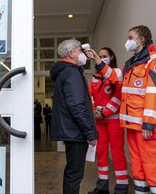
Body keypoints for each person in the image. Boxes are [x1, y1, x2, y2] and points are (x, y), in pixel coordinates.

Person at [86, 25, 156, 194]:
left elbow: (155, 94)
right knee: (137, 164)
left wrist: (149, 124)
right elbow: (114, 75)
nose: (128, 41)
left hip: (145, 126)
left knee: (151, 163)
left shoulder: (154, 62)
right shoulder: (132, 64)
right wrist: (96, 58)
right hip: (131, 124)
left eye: (131, 38)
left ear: (142, 39)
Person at [50, 39, 98, 194]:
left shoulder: (66, 71)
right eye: (79, 51)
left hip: (72, 131)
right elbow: (76, 106)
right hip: (76, 132)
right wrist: (90, 132)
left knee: (72, 172)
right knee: (74, 174)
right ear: (71, 54)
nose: (82, 54)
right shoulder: (71, 72)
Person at [88, 47, 129, 194]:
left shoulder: (118, 74)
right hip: (99, 121)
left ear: (111, 57)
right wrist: (95, 111)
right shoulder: (95, 76)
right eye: (99, 56)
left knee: (117, 153)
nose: (102, 57)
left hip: (113, 120)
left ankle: (122, 187)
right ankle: (102, 187)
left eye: (104, 55)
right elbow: (91, 94)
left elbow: (119, 96)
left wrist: (104, 113)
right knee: (101, 152)